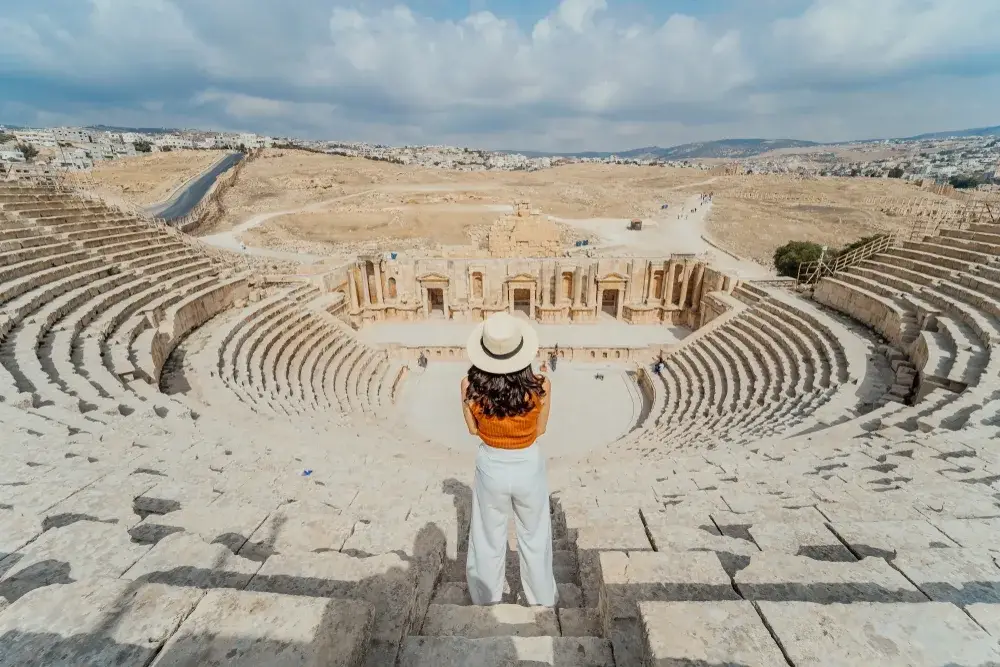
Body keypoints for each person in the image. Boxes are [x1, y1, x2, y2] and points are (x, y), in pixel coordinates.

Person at [461, 312, 557, 607]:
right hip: (528, 465)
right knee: (535, 535)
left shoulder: (469, 387)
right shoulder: (541, 387)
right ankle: (542, 600)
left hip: (491, 464)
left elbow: (472, 429)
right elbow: (540, 429)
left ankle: (486, 600)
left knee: (488, 536)